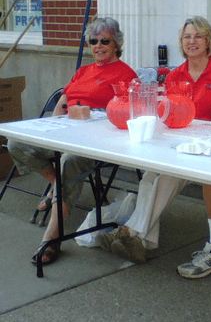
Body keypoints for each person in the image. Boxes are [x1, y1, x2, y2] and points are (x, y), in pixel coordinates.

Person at [98, 16, 211, 269]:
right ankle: (142, 240)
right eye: (187, 37)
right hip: (179, 143)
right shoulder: (175, 75)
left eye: (198, 36)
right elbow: (169, 116)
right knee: (151, 174)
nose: (192, 41)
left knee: (168, 175)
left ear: (209, 42)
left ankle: (133, 233)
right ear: (181, 43)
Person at [8, 17, 138, 265]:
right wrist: (50, 127)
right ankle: (59, 187)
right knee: (17, 144)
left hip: (97, 140)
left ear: (116, 44)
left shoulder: (126, 74)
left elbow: (128, 113)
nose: (98, 45)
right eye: (93, 40)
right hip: (65, 131)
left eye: (105, 40)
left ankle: (52, 237)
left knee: (68, 160)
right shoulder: (84, 71)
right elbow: (62, 102)